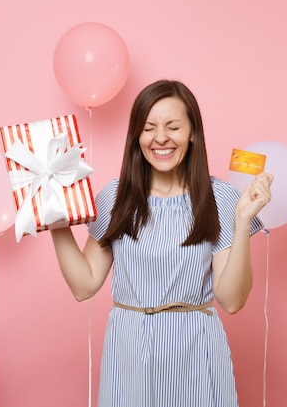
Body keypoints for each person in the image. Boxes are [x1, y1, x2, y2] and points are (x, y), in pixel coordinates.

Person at [50, 79, 273, 406]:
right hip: (127, 354)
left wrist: (241, 223)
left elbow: (232, 301)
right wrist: (56, 224)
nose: (161, 138)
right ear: (137, 136)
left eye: (173, 126)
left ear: (193, 133)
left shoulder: (220, 197)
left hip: (196, 353)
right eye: (149, 128)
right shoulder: (116, 197)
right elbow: (84, 286)